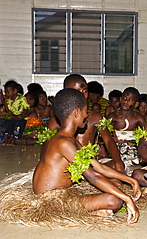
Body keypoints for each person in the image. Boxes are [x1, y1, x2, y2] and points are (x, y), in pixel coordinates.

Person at [33, 88, 140, 223]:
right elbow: (93, 176)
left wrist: (131, 181)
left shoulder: (72, 141)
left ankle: (91, 211)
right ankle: (86, 212)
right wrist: (127, 198)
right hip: (50, 201)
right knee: (114, 200)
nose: (87, 115)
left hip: (61, 195)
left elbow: (99, 167)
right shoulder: (63, 143)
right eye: (85, 111)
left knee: (114, 195)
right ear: (77, 112)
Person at [48, 74, 125, 174]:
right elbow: (47, 149)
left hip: (91, 163)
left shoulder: (96, 117)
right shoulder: (57, 120)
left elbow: (108, 140)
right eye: (76, 91)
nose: (82, 95)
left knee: (115, 168)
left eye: (85, 91)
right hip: (67, 166)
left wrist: (118, 161)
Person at [107, 87, 146, 173]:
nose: (126, 101)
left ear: (136, 104)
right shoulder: (112, 116)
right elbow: (106, 136)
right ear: (120, 99)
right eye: (124, 98)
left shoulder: (138, 118)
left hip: (133, 150)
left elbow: (146, 135)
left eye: (130, 100)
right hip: (116, 148)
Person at [2, 80, 30, 145]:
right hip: (12, 118)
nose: (6, 94)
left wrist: (22, 115)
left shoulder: (22, 99)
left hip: (20, 119)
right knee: (7, 127)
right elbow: (7, 110)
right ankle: (6, 141)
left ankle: (14, 141)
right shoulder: (8, 100)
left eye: (8, 92)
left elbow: (26, 108)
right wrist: (5, 101)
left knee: (17, 130)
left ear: (15, 91)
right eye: (5, 92)